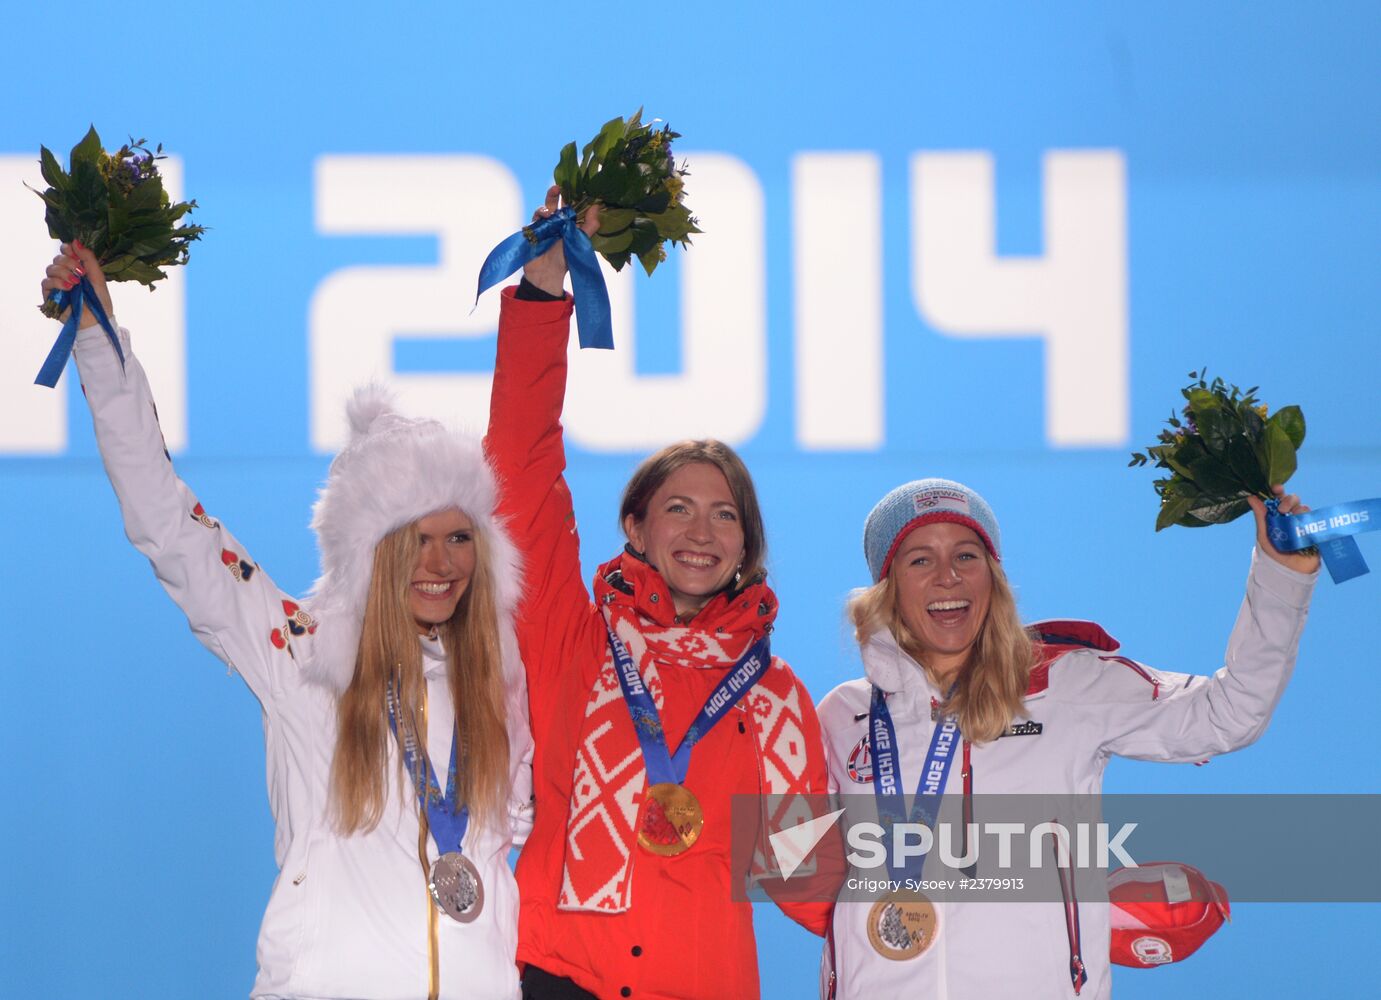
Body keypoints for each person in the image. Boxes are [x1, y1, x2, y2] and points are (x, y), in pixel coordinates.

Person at [40, 243, 534, 999]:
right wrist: (98, 344)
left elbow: (516, 831)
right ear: (366, 551)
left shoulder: (499, 675)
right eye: (412, 539)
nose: (441, 562)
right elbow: (165, 522)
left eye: (460, 536)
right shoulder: (300, 651)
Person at [484, 190, 835, 999]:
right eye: (677, 508)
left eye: (724, 516)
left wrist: (1013, 889)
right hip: (560, 973)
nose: (701, 531)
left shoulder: (774, 698)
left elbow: (810, 883)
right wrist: (541, 293)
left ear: (746, 547)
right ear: (635, 529)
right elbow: (520, 467)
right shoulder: (572, 637)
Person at [816, 477, 1318, 999]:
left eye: (966, 555)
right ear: (888, 584)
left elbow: (1230, 713)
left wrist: (1283, 577)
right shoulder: (844, 715)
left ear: (994, 576)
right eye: (920, 560)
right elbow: (790, 859)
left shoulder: (1066, 682)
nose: (947, 577)